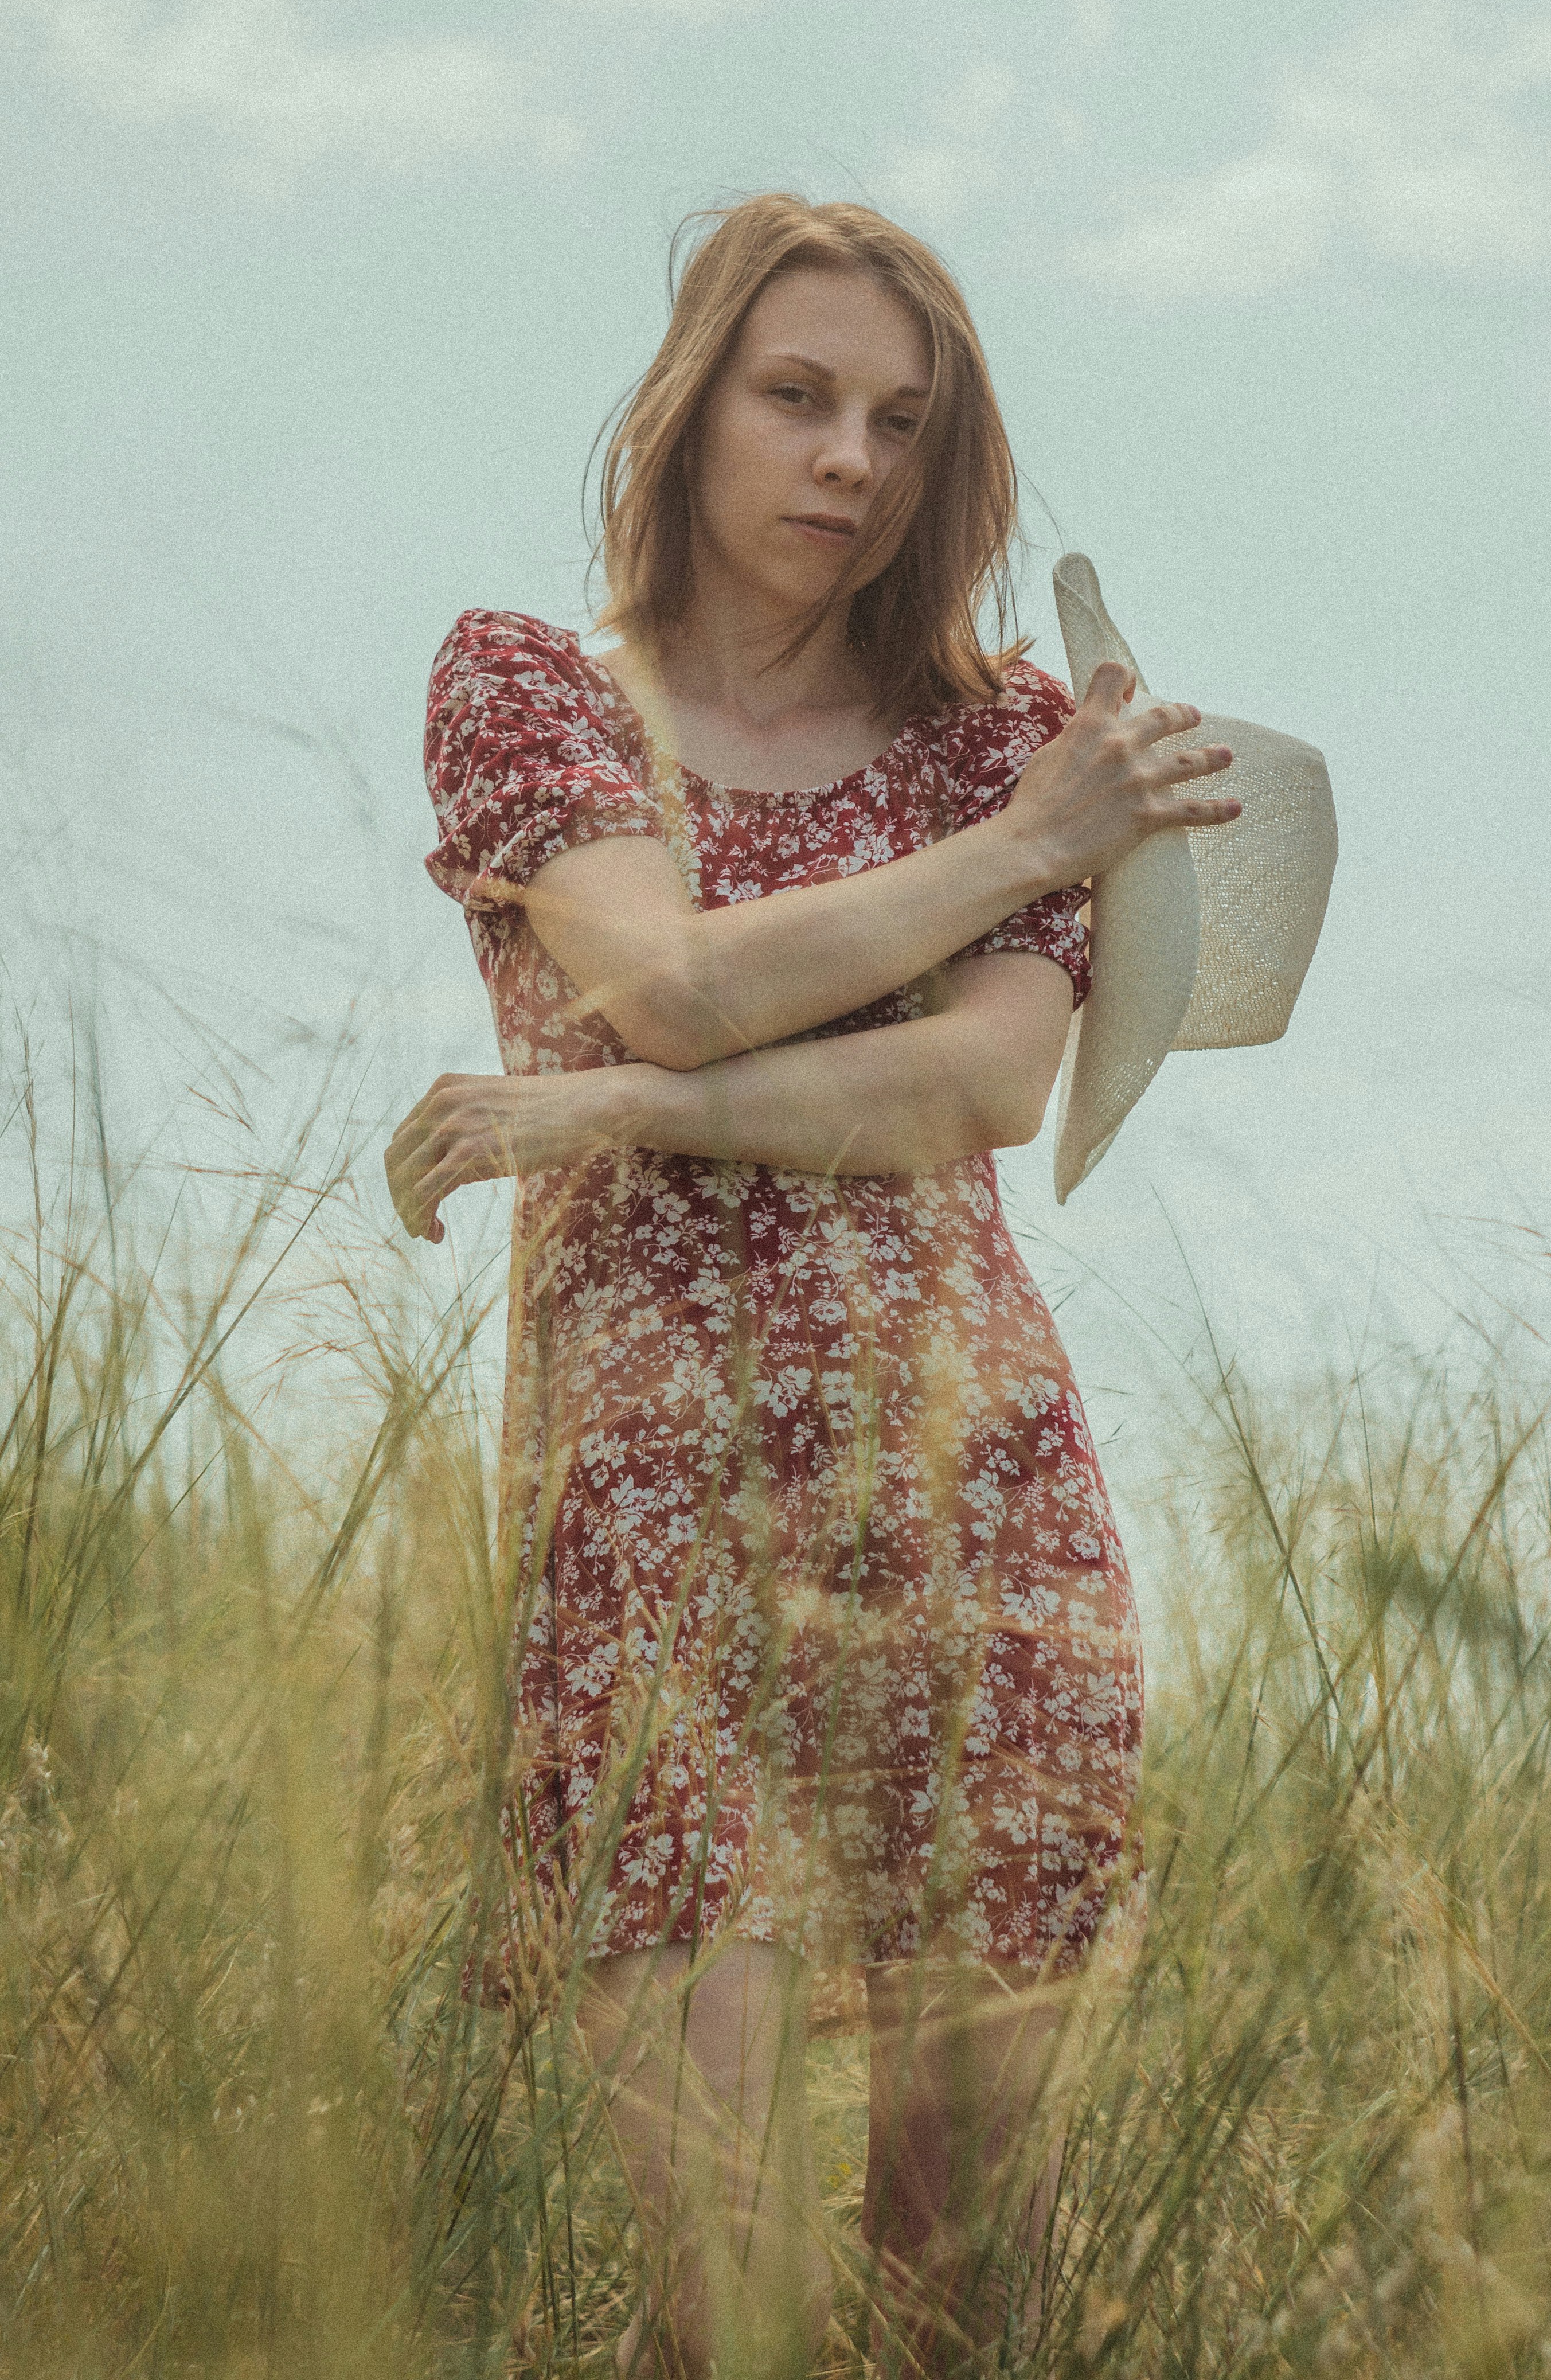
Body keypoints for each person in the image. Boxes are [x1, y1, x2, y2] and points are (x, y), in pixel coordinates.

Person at [386, 194, 1240, 2376]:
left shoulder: (995, 730)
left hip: (972, 1496)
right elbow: (665, 981)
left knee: (958, 2296)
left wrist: (594, 1121)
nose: (850, 456)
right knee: (729, 2290)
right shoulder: (530, 686)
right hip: (656, 1517)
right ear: (688, 405)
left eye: (898, 419)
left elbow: (976, 1086)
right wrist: (1048, 843)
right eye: (798, 395)